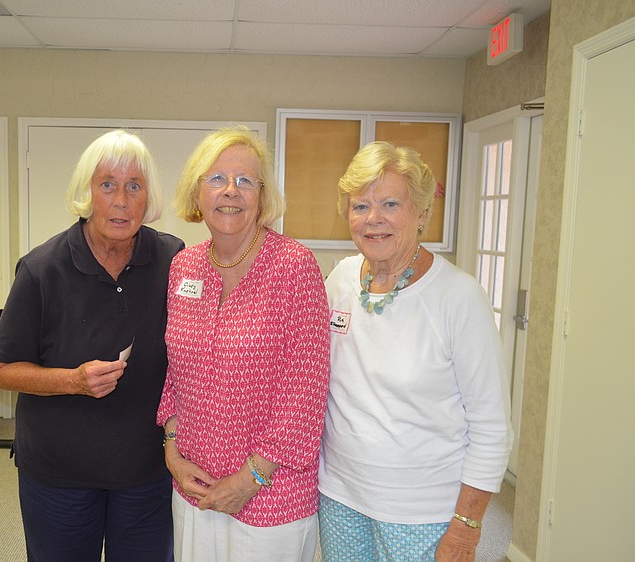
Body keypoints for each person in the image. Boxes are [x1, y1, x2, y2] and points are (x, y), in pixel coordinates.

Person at [0, 130, 184, 562]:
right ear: (86, 193)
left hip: (147, 472)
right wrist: (72, 381)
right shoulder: (42, 269)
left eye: (134, 186)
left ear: (147, 197)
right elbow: (1, 369)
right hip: (59, 473)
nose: (121, 200)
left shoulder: (174, 260)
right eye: (107, 184)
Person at [319, 141, 513, 562]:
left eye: (390, 203)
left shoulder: (458, 298)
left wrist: (466, 528)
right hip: (339, 498)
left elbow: (491, 426)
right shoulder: (341, 279)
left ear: (422, 213)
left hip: (424, 513)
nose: (374, 219)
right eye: (360, 206)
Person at [156, 125, 331, 562]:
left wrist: (251, 478)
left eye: (245, 180)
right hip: (194, 483)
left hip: (271, 491)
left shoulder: (294, 266)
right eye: (216, 179)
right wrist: (172, 451)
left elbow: (306, 388)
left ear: (262, 195)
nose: (230, 191)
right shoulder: (184, 267)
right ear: (197, 193)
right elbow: (174, 372)